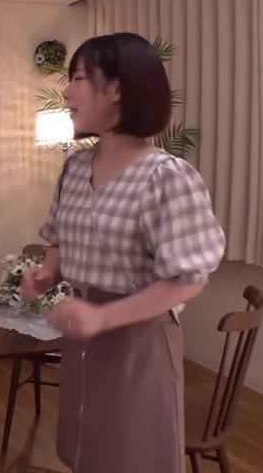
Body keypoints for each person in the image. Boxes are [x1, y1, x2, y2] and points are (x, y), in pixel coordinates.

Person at [22, 33, 226, 473]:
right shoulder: (75, 167)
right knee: (86, 452)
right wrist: (49, 272)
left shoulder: (166, 176)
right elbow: (60, 237)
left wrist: (103, 318)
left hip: (139, 344)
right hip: (82, 340)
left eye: (79, 77)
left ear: (116, 89)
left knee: (132, 457)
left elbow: (188, 280)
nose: (67, 91)